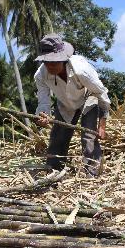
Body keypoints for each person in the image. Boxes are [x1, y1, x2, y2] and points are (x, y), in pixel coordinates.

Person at [34, 33, 110, 177]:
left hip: (89, 97)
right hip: (65, 102)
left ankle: (93, 174)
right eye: (47, 62)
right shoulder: (40, 75)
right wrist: (43, 115)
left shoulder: (81, 70)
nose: (50, 65)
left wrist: (102, 124)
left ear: (63, 59)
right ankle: (54, 170)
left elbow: (101, 94)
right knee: (58, 136)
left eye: (54, 62)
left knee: (89, 136)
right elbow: (43, 101)